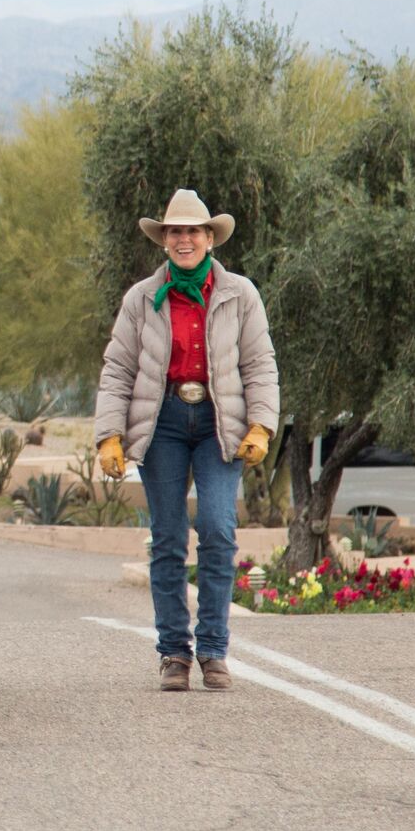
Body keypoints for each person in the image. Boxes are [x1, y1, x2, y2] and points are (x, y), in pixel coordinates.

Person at [93, 189, 279, 693]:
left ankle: (214, 650)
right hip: (164, 422)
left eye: (193, 231)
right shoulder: (141, 299)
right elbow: (118, 369)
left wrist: (261, 424)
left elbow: (259, 364)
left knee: (218, 530)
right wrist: (108, 434)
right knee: (169, 538)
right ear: (164, 240)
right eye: (175, 232)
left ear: (210, 238)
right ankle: (174, 653)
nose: (184, 240)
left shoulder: (241, 294)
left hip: (221, 423)